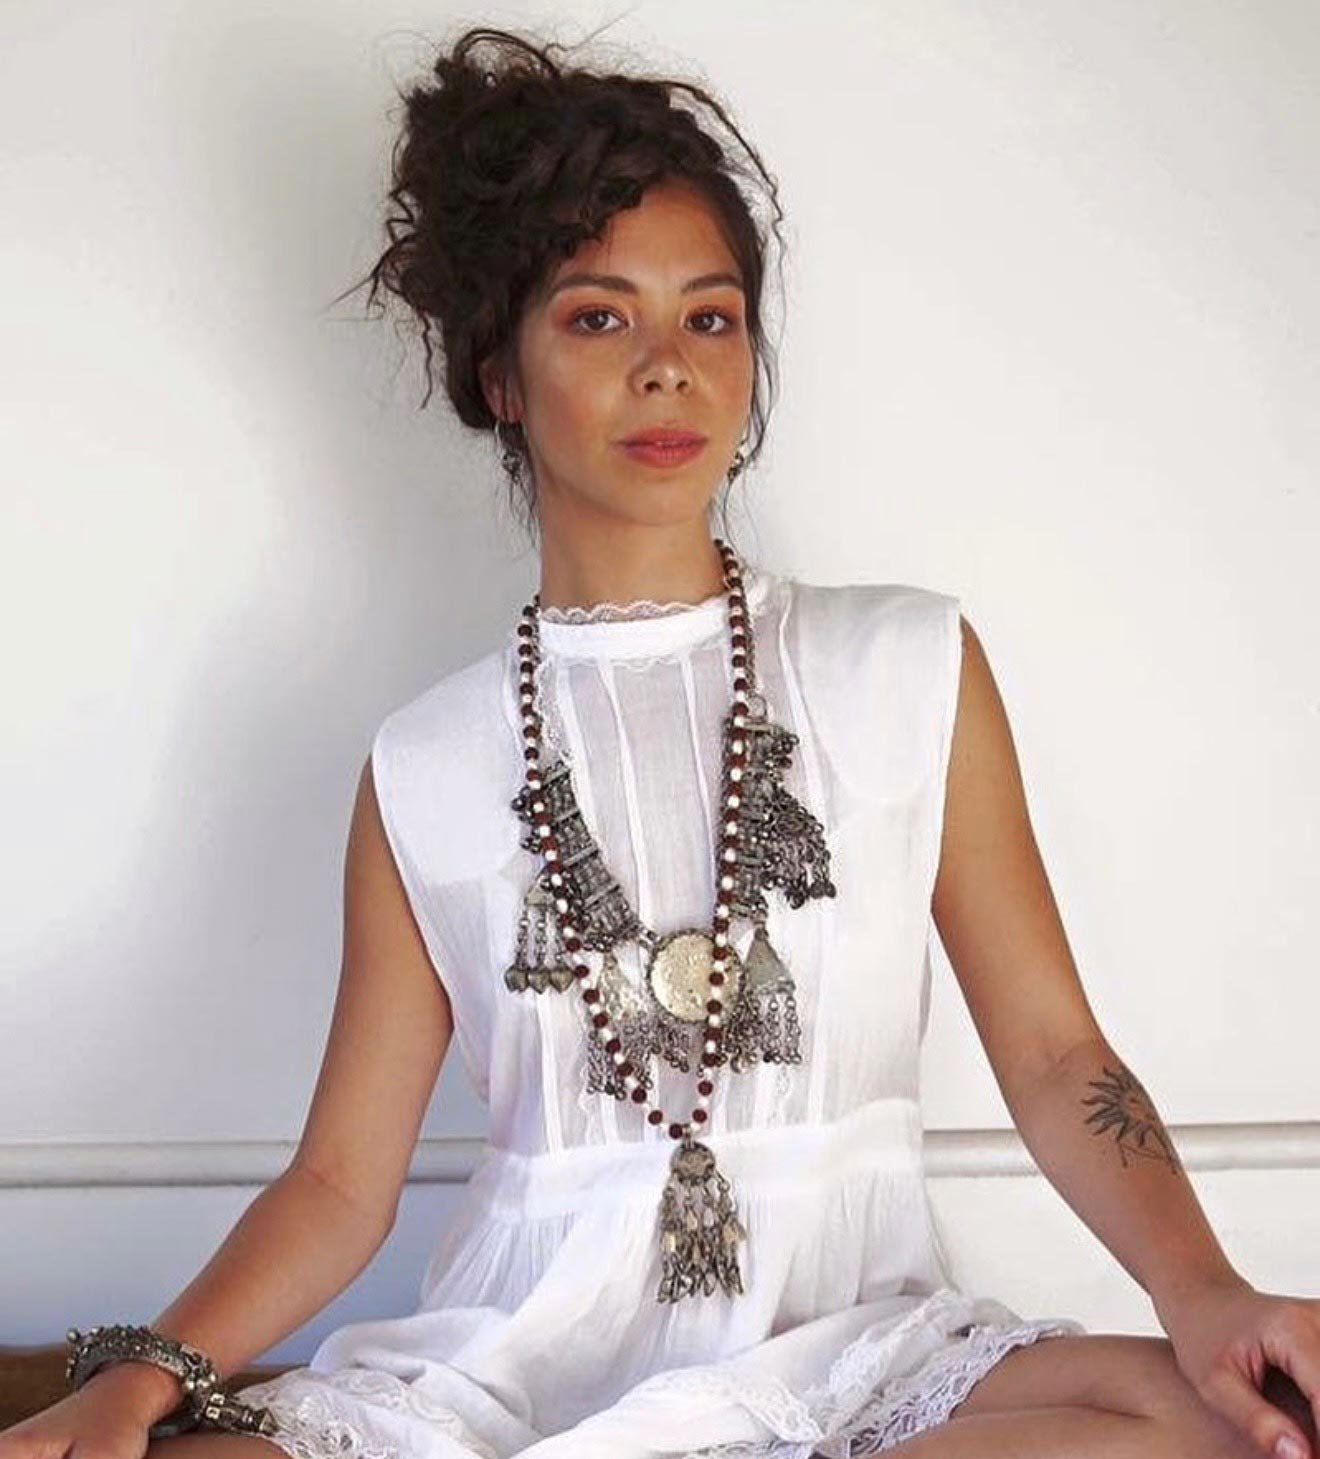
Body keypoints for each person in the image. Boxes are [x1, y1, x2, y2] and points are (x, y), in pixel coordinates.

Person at [9, 23, 1317, 1459]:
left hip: (851, 1366)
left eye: (710, 317)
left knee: (1210, 1423)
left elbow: (1060, 1052)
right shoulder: (425, 770)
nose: (667, 369)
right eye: (596, 318)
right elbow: (337, 1184)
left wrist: (1203, 1293)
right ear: (499, 376)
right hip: (511, 1380)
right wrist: (142, 1374)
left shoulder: (905, 666)